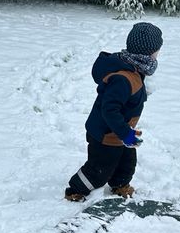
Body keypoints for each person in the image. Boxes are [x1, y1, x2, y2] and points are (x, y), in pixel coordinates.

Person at [65, 22, 163, 202]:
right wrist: (125, 133)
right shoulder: (123, 78)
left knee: (127, 162)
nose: (158, 54)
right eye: (157, 50)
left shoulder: (134, 67)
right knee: (99, 169)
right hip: (105, 134)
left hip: (120, 130)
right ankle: (75, 189)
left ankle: (119, 185)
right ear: (148, 52)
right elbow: (109, 110)